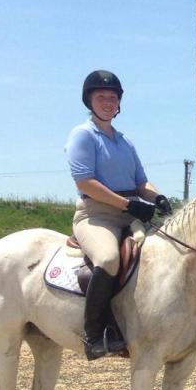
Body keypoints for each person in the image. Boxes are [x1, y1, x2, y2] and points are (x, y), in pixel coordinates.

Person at [65, 70, 172, 360]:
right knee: (108, 259)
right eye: (101, 97)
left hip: (130, 214)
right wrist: (127, 205)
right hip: (96, 215)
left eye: (112, 98)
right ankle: (94, 333)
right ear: (90, 100)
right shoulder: (83, 135)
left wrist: (157, 197)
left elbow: (141, 182)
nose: (108, 102)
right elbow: (85, 182)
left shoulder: (125, 142)